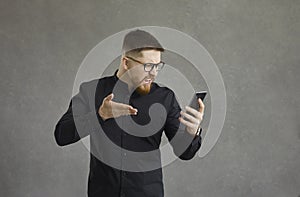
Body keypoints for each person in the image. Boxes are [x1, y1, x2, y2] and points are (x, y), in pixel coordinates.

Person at [54, 29, 205, 197]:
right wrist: (100, 115)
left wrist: (191, 132)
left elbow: (184, 153)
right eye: (148, 66)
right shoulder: (91, 91)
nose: (154, 73)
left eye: (158, 66)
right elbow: (61, 135)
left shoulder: (165, 98)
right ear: (126, 62)